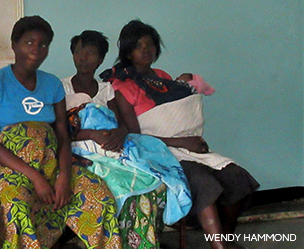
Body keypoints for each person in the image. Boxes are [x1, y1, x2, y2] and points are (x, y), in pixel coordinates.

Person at [102, 20, 259, 249]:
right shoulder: (123, 87)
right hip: (158, 152)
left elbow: (181, 111)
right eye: (138, 46)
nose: (146, 50)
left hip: (188, 146)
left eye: (150, 44)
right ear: (127, 51)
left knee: (238, 178)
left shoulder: (163, 76)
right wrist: (182, 141)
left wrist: (189, 140)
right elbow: (136, 137)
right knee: (204, 183)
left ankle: (225, 236)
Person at [0, 16, 121, 249]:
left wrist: (63, 176)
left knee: (99, 195)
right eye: (29, 42)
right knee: (16, 207)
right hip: (10, 170)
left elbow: (63, 136)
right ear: (14, 45)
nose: (36, 49)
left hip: (53, 166)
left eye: (43, 45)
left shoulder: (52, 84)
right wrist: (36, 178)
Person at [62, 31, 191, 249]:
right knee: (122, 189)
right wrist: (92, 134)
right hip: (79, 152)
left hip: (112, 147)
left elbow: (122, 124)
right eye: (78, 52)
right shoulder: (61, 88)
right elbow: (60, 131)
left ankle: (141, 243)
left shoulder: (106, 89)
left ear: (101, 59)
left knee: (152, 182)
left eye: (91, 53)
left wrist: (118, 134)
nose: (83, 58)